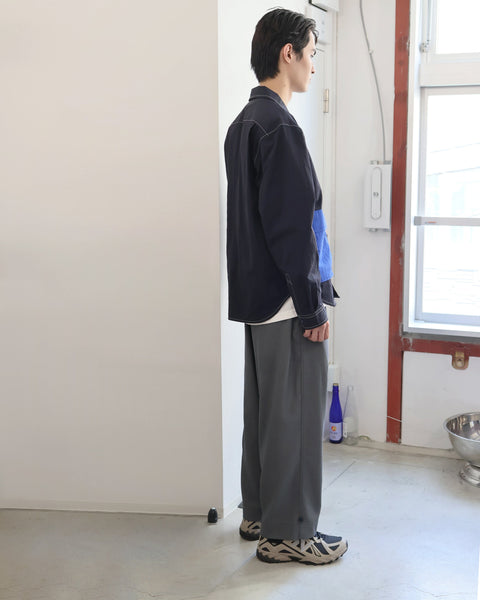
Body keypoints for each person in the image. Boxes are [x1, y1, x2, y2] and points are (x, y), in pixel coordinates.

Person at [224, 8, 348, 565]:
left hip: (257, 299)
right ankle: (291, 533)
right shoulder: (280, 127)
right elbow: (292, 229)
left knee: (265, 414)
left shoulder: (243, 124)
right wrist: (313, 306)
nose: (314, 66)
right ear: (287, 53)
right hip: (286, 300)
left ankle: (258, 514)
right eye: (312, 53)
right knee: (295, 417)